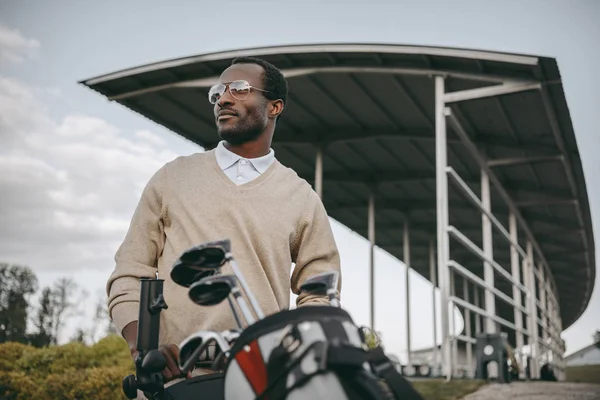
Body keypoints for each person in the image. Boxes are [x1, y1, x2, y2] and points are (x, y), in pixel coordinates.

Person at [106, 56, 342, 385]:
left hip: (262, 383)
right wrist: (145, 346)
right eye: (218, 92)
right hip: (173, 384)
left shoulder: (302, 198)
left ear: (275, 107)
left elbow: (320, 294)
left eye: (240, 89)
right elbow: (129, 273)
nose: (224, 98)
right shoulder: (172, 178)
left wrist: (295, 351)